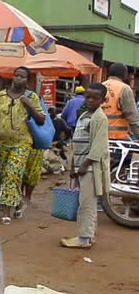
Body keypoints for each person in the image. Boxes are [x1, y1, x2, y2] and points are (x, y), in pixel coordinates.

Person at [0, 66, 46, 224]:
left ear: (27, 80)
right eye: (16, 75)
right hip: (2, 143)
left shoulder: (32, 97)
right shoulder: (1, 96)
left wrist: (29, 105)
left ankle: (6, 213)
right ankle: (17, 202)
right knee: (5, 176)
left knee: (12, 174)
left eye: (22, 76)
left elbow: (41, 119)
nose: (18, 78)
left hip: (22, 143)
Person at [61, 84, 110, 249]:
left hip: (90, 168)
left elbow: (98, 146)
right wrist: (74, 164)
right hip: (81, 165)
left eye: (95, 98)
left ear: (103, 100)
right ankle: (88, 236)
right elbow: (77, 142)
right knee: (87, 203)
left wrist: (85, 164)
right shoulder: (84, 116)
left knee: (86, 204)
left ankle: (83, 238)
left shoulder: (100, 118)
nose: (90, 100)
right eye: (88, 97)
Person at [102, 63, 139, 140]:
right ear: (124, 74)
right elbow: (131, 115)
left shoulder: (101, 86)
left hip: (99, 134)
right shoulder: (124, 88)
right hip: (117, 136)